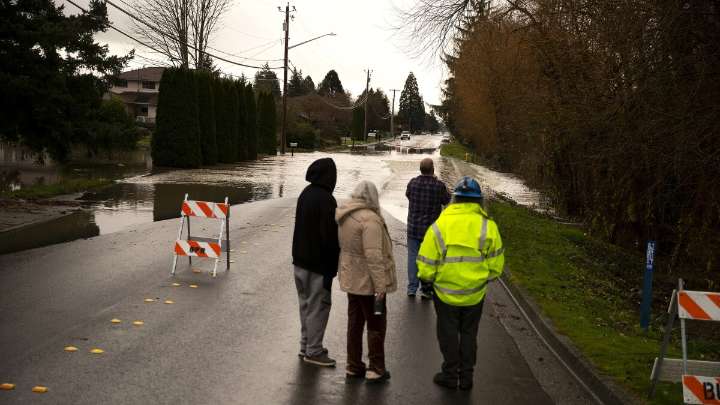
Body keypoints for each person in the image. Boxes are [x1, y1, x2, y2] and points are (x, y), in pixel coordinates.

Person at [417, 176, 505, 390]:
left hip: (445, 294)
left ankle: (449, 375)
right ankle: (466, 377)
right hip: (474, 295)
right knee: (468, 334)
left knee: (447, 335)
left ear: (455, 199)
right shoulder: (488, 226)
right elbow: (496, 266)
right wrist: (482, 279)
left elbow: (427, 260)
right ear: (479, 201)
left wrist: (427, 280)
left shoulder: (441, 224)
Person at [336, 181, 397, 383]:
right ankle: (376, 368)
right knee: (376, 324)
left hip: (352, 279)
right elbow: (373, 256)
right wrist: (380, 287)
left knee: (354, 323)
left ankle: (353, 365)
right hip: (369, 284)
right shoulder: (370, 220)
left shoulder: (345, 215)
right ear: (373, 197)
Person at [292, 158, 341, 367]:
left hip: (299, 260)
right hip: (318, 264)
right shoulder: (327, 200)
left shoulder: (305, 194)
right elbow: (329, 237)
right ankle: (314, 351)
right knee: (318, 307)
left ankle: (305, 345)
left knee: (305, 306)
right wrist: (332, 267)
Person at [406, 158, 451, 299]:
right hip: (431, 231)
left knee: (413, 257)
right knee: (429, 259)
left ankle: (412, 288)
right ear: (432, 169)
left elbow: (408, 195)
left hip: (413, 228)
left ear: (420, 169)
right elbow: (447, 200)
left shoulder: (413, 183)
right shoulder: (439, 186)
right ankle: (426, 289)